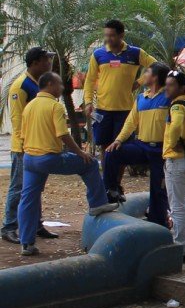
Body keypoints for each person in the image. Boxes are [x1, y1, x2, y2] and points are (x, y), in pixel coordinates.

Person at [17, 73, 118, 256]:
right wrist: (80, 153)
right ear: (49, 84)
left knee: (28, 199)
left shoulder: (29, 106)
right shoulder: (55, 106)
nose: (62, 88)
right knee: (90, 164)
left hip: (30, 159)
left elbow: (22, 134)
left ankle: (26, 243)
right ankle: (98, 203)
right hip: (48, 157)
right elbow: (63, 134)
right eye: (59, 85)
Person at [103, 62, 171, 226]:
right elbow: (130, 122)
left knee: (158, 188)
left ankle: (158, 221)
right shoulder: (141, 97)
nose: (143, 76)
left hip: (161, 149)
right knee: (112, 153)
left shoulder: (169, 97)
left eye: (146, 72)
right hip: (141, 145)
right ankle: (111, 190)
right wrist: (118, 140)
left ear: (154, 77)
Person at [2, 47, 57, 245]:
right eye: (45, 60)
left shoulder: (39, 85)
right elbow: (17, 121)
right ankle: (9, 226)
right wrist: (25, 146)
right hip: (24, 148)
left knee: (35, 187)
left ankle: (36, 224)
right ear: (34, 63)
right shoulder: (21, 86)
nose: (49, 64)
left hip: (39, 146)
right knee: (18, 188)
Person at [82, 20, 157, 149]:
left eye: (111, 35)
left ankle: (117, 170)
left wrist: (139, 82)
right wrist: (88, 102)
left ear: (121, 35)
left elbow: (156, 66)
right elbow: (90, 80)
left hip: (125, 110)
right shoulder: (98, 55)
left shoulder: (135, 53)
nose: (108, 38)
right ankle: (107, 170)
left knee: (122, 147)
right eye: (106, 35)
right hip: (102, 110)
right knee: (104, 145)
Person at [163, 70, 185, 263]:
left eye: (172, 85)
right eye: (167, 84)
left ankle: (181, 247)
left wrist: (170, 144)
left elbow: (175, 126)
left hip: (176, 159)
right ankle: (183, 246)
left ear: (182, 87)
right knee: (181, 204)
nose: (167, 88)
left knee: (177, 206)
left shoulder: (176, 106)